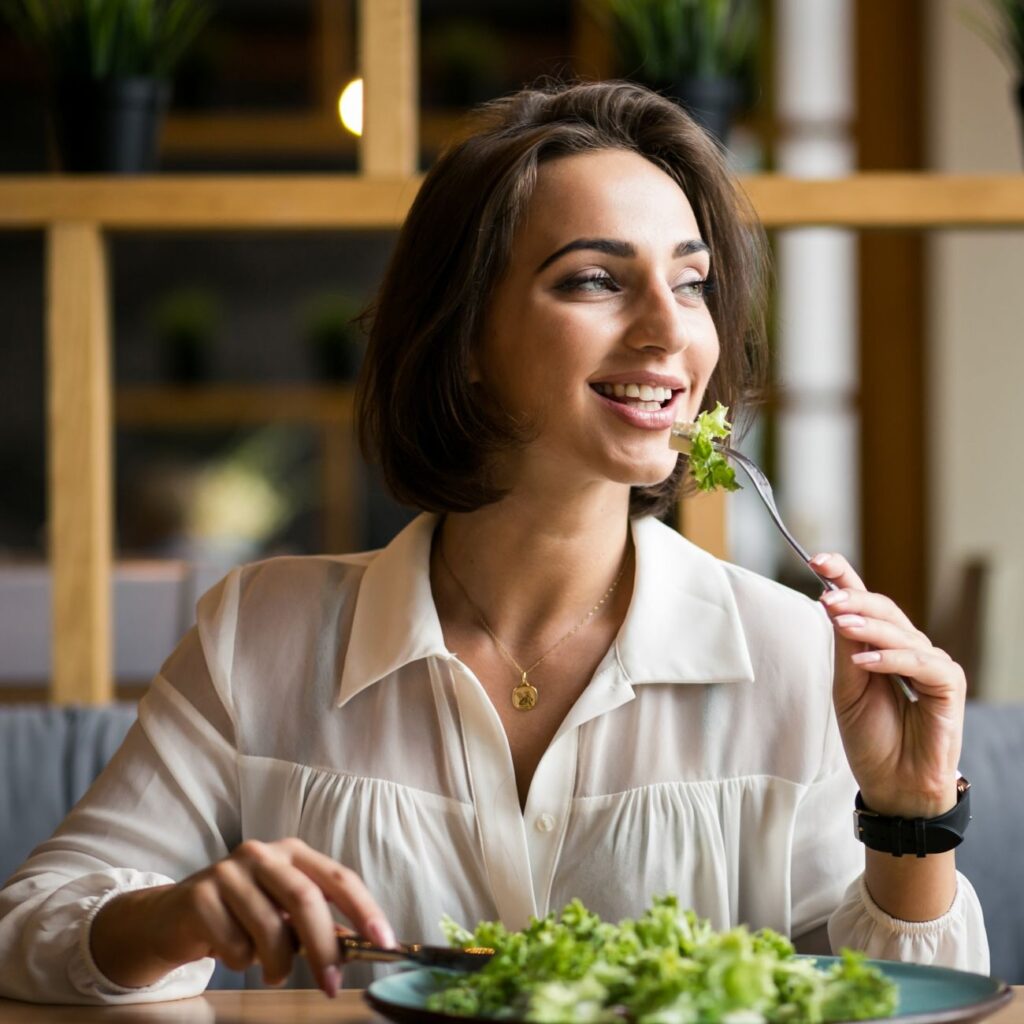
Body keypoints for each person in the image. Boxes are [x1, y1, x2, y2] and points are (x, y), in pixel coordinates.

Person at [0, 80, 988, 1006]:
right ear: (465, 337)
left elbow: (893, 1002)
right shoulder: (260, 631)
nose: (669, 331)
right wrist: (175, 916)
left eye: (691, 283)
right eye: (595, 280)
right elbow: (30, 923)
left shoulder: (793, 652)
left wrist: (911, 821)